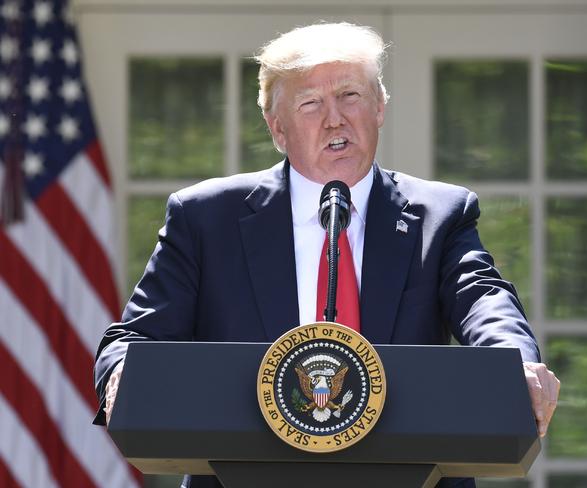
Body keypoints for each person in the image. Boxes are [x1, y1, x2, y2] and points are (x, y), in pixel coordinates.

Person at [94, 22, 560, 488]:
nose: (334, 119)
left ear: (379, 107)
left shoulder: (440, 215)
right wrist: (121, 374)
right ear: (277, 128)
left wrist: (513, 363)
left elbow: (483, 297)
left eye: (350, 96)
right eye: (311, 104)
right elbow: (132, 340)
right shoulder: (205, 219)